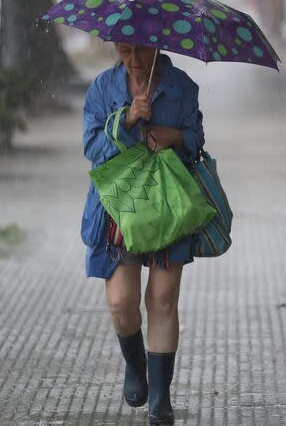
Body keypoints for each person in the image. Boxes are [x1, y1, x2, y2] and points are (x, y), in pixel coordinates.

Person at [81, 42, 204, 425]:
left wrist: (173, 136)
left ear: (158, 45)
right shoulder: (103, 88)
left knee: (163, 299)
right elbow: (92, 147)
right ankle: (136, 365)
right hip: (121, 208)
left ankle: (159, 399)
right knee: (121, 304)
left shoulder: (181, 86)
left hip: (169, 206)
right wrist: (127, 121)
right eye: (125, 49)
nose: (134, 59)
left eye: (142, 49)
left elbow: (197, 138)